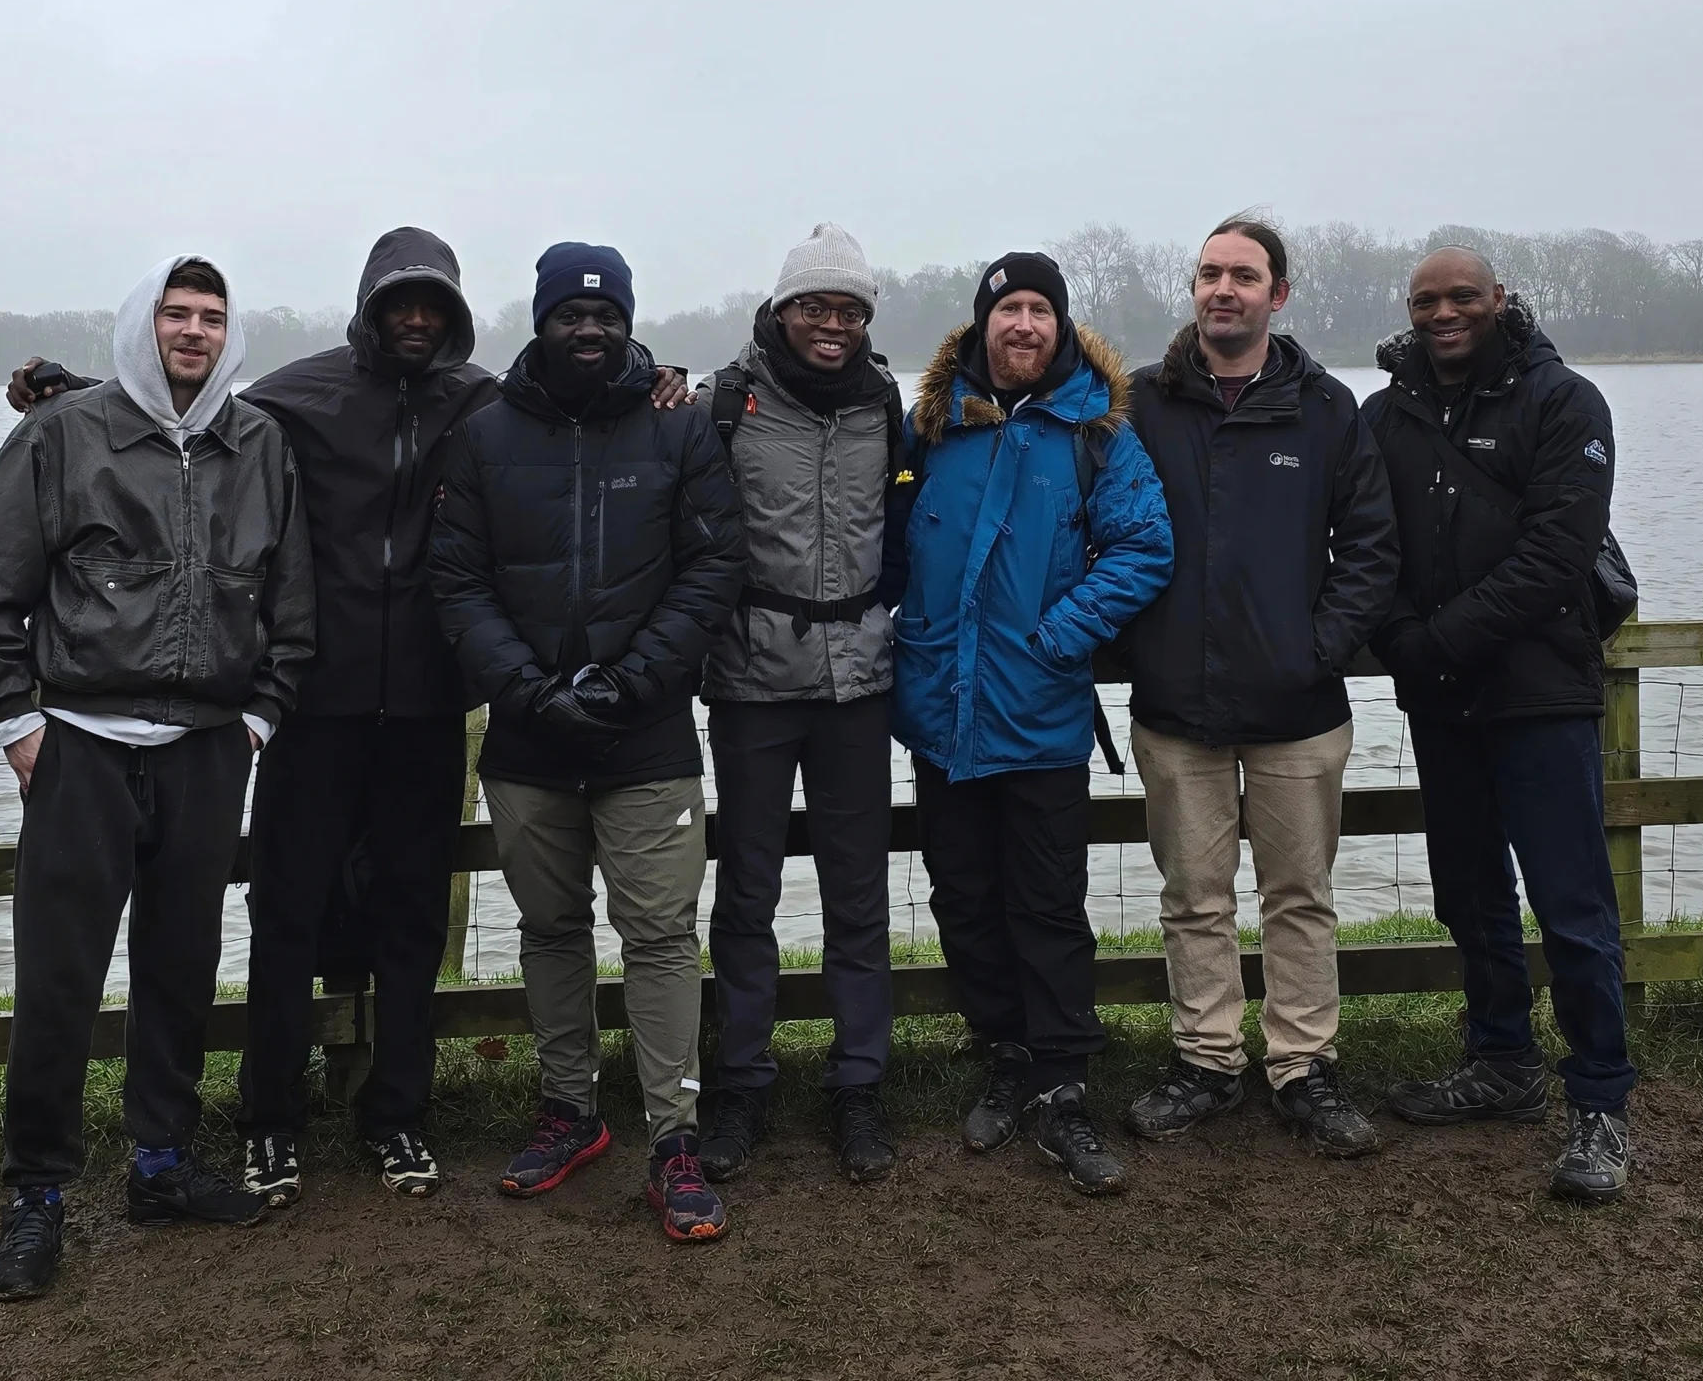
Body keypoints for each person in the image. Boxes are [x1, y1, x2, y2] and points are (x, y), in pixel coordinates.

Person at [5, 231, 687, 1207]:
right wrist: (76, 387)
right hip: (309, 710)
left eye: (432, 306)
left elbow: (574, 396)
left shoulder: (480, 398)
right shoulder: (302, 392)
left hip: (424, 708)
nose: (415, 319)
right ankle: (269, 1117)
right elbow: (196, 415)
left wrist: (655, 376)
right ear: (369, 306)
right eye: (398, 302)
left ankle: (397, 1113)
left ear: (451, 313)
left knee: (411, 917)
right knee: (283, 914)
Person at [0, 255, 314, 1302]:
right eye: (174, 313)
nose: (191, 331)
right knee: (59, 977)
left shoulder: (260, 444)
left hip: (204, 748)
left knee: (180, 964)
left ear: (230, 334)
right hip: (80, 748)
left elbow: (294, 604)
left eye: (210, 316)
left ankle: (162, 1161)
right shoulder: (65, 433)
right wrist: (19, 722)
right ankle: (37, 1194)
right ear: (140, 324)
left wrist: (255, 717)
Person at [427, 243, 747, 1243]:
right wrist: (523, 687)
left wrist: (632, 678)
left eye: (606, 315)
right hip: (528, 738)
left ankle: (675, 1136)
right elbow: (457, 578)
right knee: (551, 929)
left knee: (659, 934)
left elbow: (712, 565)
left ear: (627, 322)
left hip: (645, 733)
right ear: (541, 319)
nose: (590, 330)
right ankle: (569, 1111)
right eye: (571, 314)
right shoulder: (481, 438)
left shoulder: (679, 429)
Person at [1116, 218, 1400, 1160]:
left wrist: (1315, 650)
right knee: (1193, 895)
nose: (1222, 289)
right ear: (1191, 288)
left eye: (1243, 275)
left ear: (1279, 294)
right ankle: (1205, 1061)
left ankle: (1302, 1066)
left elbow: (1370, 548)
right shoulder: (1141, 403)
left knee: (1299, 893)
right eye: (1207, 273)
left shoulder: (1326, 409)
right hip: (1175, 706)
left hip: (1298, 709)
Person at [889, 252, 1173, 1196]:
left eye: (1039, 311)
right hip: (941, 711)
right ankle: (1005, 1056)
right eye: (1007, 309)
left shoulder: (1097, 432)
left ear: (1060, 327)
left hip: (1041, 711)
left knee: (1048, 905)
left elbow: (1144, 548)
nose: (1023, 325)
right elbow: (884, 543)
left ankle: (1061, 1081)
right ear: (979, 326)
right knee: (962, 895)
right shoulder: (930, 428)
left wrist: (1063, 636)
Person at [1365, 246, 1635, 1202]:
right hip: (1443, 702)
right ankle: (1503, 1062)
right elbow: (1367, 545)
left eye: (1463, 297)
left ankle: (1600, 1101)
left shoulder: (1566, 403)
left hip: (1540, 696)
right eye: (1427, 300)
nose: (1445, 313)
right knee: (1470, 891)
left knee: (1573, 908)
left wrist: (1432, 642)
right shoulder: (1385, 414)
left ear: (1500, 301)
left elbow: (1557, 553)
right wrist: (1403, 637)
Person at [695, 225, 904, 1187]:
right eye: (815, 307)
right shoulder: (724, 402)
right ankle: (739, 1081)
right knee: (747, 893)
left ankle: (859, 1082)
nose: (833, 324)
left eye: (850, 310)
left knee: (860, 896)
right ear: (781, 311)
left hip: (859, 681)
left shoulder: (885, 404)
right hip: (751, 683)